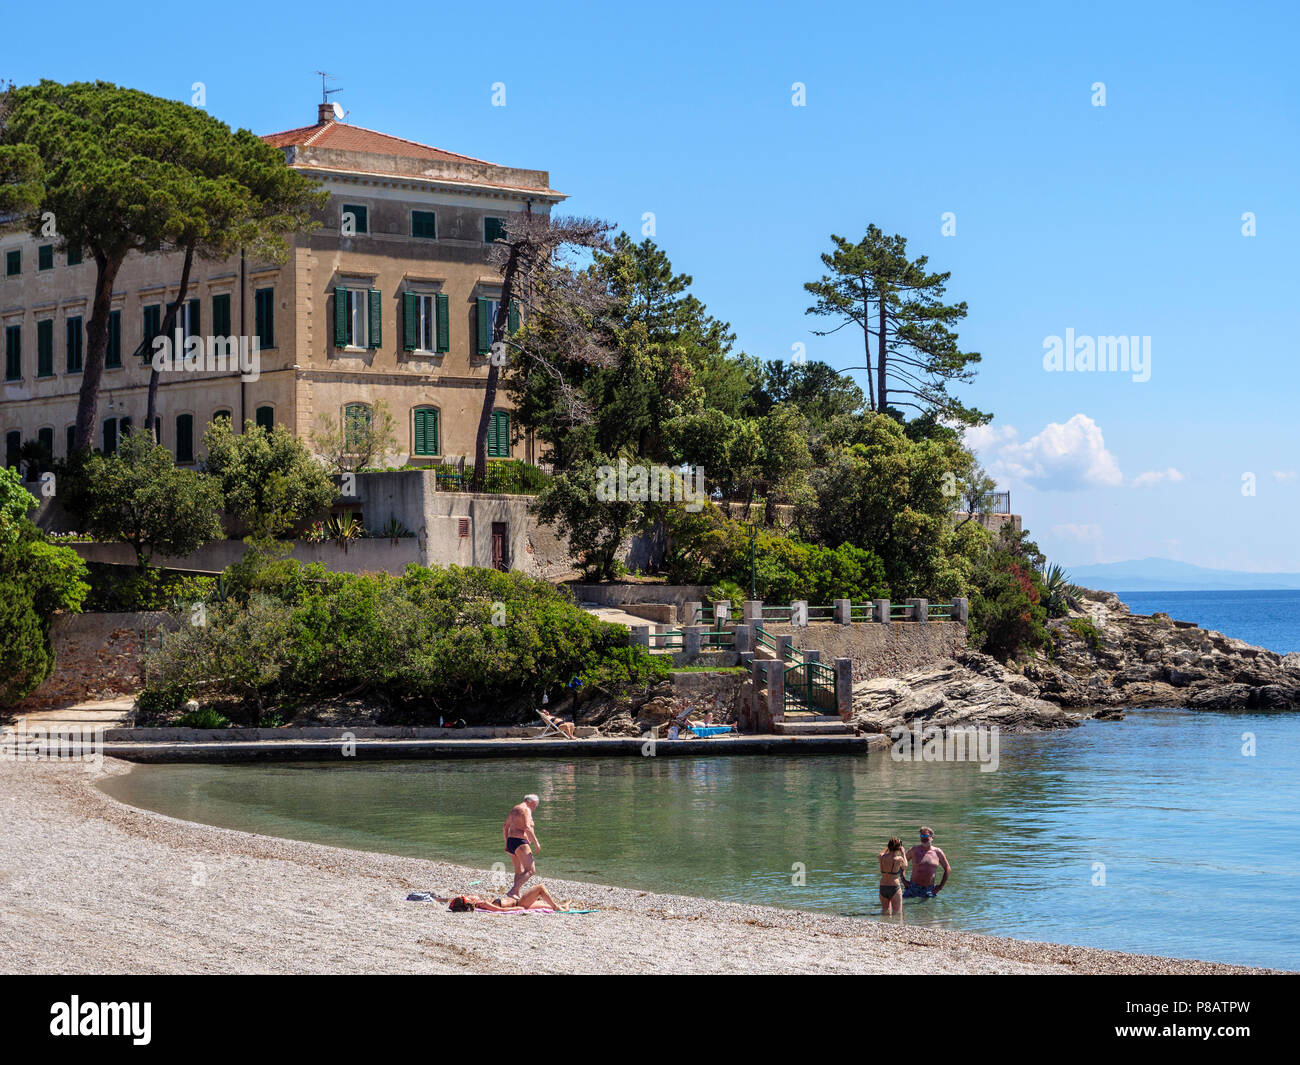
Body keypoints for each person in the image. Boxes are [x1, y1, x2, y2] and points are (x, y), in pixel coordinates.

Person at [503, 794, 542, 901]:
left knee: (518, 871)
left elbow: (505, 826)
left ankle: (516, 896)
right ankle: (513, 891)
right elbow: (527, 827)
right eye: (535, 806)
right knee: (530, 870)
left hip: (511, 841)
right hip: (520, 842)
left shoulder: (515, 809)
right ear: (532, 802)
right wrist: (536, 842)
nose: (534, 808)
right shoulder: (526, 809)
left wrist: (507, 843)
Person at [904, 826, 951, 899]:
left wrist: (940, 886)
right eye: (922, 835)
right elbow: (902, 864)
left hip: (929, 890)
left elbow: (947, 868)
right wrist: (903, 880)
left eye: (926, 835)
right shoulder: (914, 850)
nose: (923, 838)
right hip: (912, 888)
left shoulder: (938, 852)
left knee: (929, 910)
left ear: (932, 837)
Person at [447, 883, 562, 912]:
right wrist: (517, 909)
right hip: (519, 904)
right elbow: (500, 910)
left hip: (519, 902)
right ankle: (557, 908)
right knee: (540, 888)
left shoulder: (479, 904)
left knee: (548, 906)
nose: (472, 896)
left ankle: (560, 907)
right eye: (469, 897)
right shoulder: (483, 904)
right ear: (469, 901)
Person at [878, 837, 909, 915]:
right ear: (899, 848)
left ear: (889, 846)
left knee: (885, 910)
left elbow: (881, 853)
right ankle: (897, 924)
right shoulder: (898, 859)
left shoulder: (881, 857)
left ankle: (884, 924)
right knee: (897, 912)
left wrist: (888, 848)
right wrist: (903, 853)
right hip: (894, 886)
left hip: (883, 886)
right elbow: (905, 866)